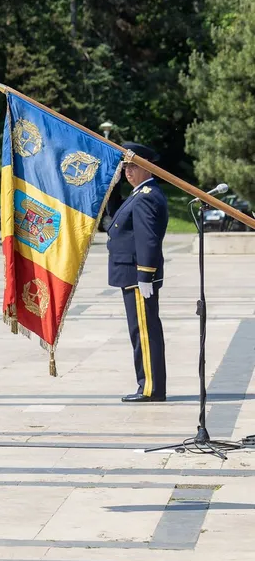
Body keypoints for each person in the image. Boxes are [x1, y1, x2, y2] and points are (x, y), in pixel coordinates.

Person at [107, 143, 168, 403]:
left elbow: (147, 239)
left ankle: (150, 388)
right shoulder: (138, 193)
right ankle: (148, 384)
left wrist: (145, 275)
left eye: (132, 166)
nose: (128, 171)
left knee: (144, 331)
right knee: (140, 330)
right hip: (131, 273)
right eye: (125, 167)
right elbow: (114, 214)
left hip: (137, 275)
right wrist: (115, 184)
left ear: (146, 166)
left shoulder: (146, 196)